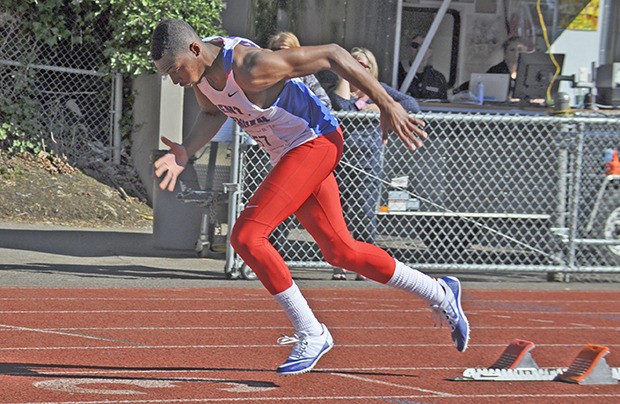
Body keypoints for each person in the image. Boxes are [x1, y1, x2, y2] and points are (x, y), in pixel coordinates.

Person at [150, 19, 470, 376]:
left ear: (195, 50)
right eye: (166, 74)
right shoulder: (201, 78)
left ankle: (311, 331)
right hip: (289, 152)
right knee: (341, 251)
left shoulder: (250, 65)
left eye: (174, 70)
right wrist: (185, 152)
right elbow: (213, 112)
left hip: (315, 142)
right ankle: (441, 293)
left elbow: (333, 54)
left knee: (246, 236)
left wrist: (385, 103)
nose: (174, 79)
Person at [329, 47, 420, 281]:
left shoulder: (377, 91)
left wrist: (382, 106)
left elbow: (411, 104)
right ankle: (339, 264)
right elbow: (342, 107)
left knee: (364, 214)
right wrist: (344, 76)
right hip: (338, 163)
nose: (359, 67)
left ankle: (363, 264)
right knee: (337, 215)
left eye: (364, 65)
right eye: (353, 62)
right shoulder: (343, 87)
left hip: (368, 164)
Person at [267, 31, 332, 109]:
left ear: (296, 52)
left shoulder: (304, 75)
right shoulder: (263, 74)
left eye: (285, 51)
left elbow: (325, 103)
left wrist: (301, 111)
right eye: (275, 50)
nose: (280, 54)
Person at [398, 34, 448, 100]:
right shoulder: (397, 73)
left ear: (430, 51)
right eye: (415, 45)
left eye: (424, 46)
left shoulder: (439, 78)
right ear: (408, 49)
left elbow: (443, 105)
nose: (419, 50)